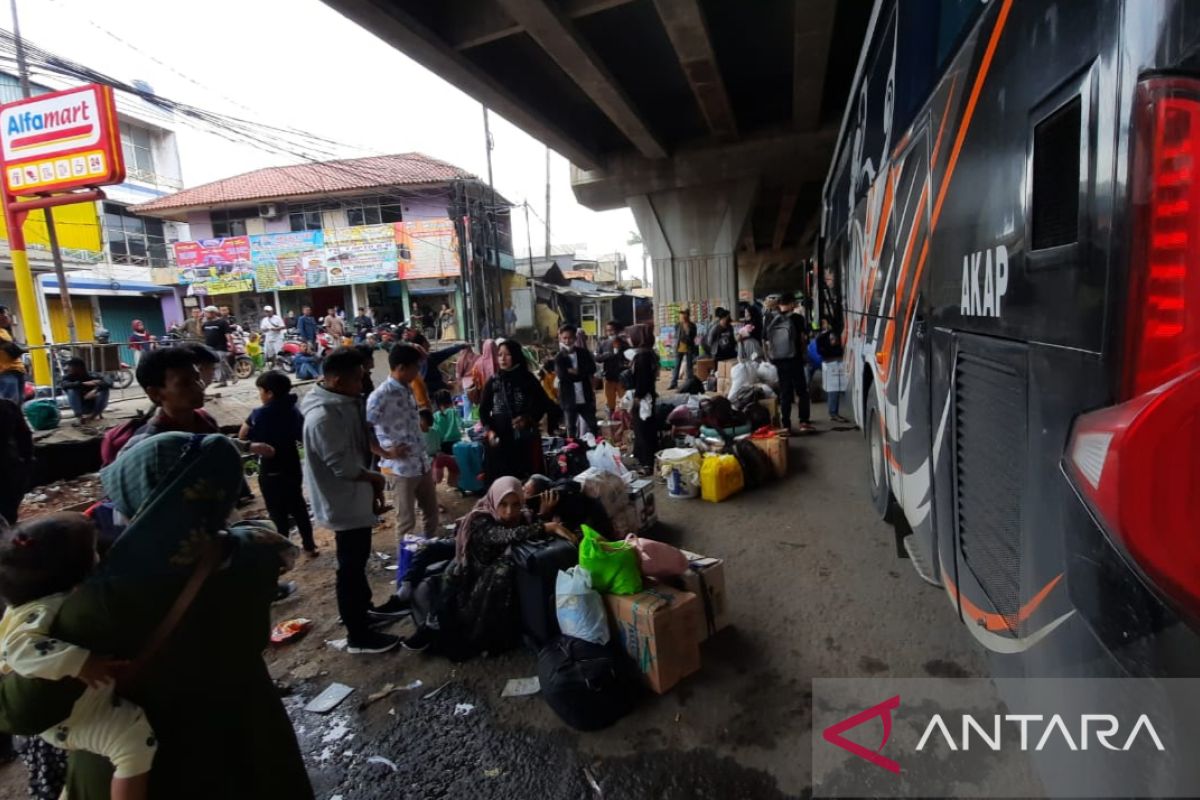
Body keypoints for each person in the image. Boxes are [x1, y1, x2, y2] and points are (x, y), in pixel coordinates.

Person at [0, 433, 314, 799]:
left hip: (161, 769)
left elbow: (21, 712)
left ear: (151, 500)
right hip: (255, 741)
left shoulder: (100, 601)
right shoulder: (253, 550)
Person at [0, 513, 157, 800]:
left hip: (62, 713)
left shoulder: (35, 595)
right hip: (73, 718)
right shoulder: (42, 610)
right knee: (133, 740)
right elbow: (19, 650)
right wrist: (81, 662)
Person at [400, 477, 577, 654]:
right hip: (467, 577)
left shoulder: (522, 517)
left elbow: (523, 533)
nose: (509, 511)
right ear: (494, 499)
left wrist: (542, 516)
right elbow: (502, 535)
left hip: (487, 583)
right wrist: (547, 527)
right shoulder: (479, 519)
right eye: (503, 504)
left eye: (516, 504)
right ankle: (419, 605)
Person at [301, 348, 399, 654]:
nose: (364, 382)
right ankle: (358, 634)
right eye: (359, 378)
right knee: (350, 566)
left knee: (358, 561)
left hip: (357, 496)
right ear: (337, 380)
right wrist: (376, 479)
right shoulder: (323, 417)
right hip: (342, 501)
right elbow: (342, 468)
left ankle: (364, 611)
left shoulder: (345, 402)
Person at [365, 345, 438, 570]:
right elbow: (363, 430)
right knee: (406, 521)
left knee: (431, 514)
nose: (418, 371)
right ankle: (407, 569)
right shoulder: (380, 396)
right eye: (416, 367)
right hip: (400, 469)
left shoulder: (408, 388)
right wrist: (385, 452)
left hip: (421, 462)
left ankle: (430, 556)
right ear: (400, 368)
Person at [240, 371, 317, 556]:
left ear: (269, 393)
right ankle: (309, 546)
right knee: (298, 505)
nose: (260, 395)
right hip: (291, 464)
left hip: (270, 467)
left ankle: (283, 552)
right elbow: (303, 436)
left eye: (260, 391)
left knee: (277, 511)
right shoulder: (293, 410)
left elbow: (243, 435)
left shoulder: (259, 413)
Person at [480, 339, 554, 482]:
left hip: (524, 438)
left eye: (507, 355)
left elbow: (544, 403)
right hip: (500, 440)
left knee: (525, 478)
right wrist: (489, 430)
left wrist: (528, 418)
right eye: (500, 355)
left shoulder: (527, 379)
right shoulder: (494, 381)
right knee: (502, 479)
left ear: (516, 356)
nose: (502, 358)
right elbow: (483, 411)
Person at [765, 293, 814, 433]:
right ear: (791, 304)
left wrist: (771, 357)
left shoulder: (770, 318)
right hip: (795, 359)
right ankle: (804, 422)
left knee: (785, 393)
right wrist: (804, 355)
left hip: (779, 361)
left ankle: (786, 425)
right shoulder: (797, 318)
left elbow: (765, 340)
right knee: (801, 391)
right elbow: (803, 339)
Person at [524, 474, 614, 540]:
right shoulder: (529, 512)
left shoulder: (570, 506)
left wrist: (544, 517)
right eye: (523, 488)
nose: (523, 494)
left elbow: (571, 541)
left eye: (527, 492)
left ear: (545, 496)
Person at [554, 324, 598, 438]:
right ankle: (572, 451)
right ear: (560, 338)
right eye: (565, 338)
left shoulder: (583, 353)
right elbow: (562, 375)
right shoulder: (559, 357)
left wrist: (575, 371)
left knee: (593, 425)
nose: (568, 341)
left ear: (575, 338)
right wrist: (580, 373)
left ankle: (594, 447)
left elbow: (592, 368)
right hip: (568, 396)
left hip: (585, 394)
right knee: (571, 428)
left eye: (570, 337)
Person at [628, 324, 660, 473]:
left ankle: (646, 464)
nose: (629, 339)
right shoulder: (648, 353)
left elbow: (643, 380)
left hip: (643, 399)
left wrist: (637, 397)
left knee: (643, 430)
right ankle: (647, 460)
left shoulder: (642, 357)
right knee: (647, 429)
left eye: (631, 336)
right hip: (649, 397)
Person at [0, 398, 32, 525]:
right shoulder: (8, 406)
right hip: (9, 468)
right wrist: (28, 461)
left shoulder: (8, 406)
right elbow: (25, 438)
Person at [60, 357, 112, 425]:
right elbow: (64, 385)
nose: (67, 368)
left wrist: (95, 390)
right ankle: (79, 417)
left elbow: (109, 382)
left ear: (78, 367)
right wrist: (83, 384)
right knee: (72, 390)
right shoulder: (68, 377)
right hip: (81, 406)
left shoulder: (92, 375)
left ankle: (94, 415)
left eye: (70, 366)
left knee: (104, 390)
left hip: (95, 405)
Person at [816, 318, 849, 423]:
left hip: (830, 362)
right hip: (833, 363)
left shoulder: (821, 336)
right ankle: (833, 413)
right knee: (834, 389)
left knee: (834, 389)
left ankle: (833, 412)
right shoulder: (828, 335)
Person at [595, 321, 630, 418]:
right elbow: (597, 358)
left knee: (625, 402)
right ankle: (612, 420)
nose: (610, 333)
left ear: (617, 331)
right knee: (610, 403)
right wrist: (609, 355)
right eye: (608, 330)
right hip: (608, 377)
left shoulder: (624, 344)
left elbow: (629, 358)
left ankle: (626, 422)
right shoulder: (603, 344)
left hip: (622, 378)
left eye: (612, 330)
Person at [421, 408, 459, 492]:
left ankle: (450, 482)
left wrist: (438, 454)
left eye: (422, 419)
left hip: (434, 457)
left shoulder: (434, 432)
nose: (419, 422)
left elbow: (438, 447)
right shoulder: (417, 435)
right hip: (423, 459)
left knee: (450, 461)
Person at [200, 305, 234, 386]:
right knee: (221, 363)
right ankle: (230, 377)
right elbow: (200, 334)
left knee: (220, 363)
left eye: (206, 312)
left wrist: (231, 344)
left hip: (220, 346)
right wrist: (199, 321)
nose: (205, 314)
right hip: (209, 347)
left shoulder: (222, 322)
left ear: (213, 313)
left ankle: (226, 379)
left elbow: (228, 334)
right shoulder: (206, 323)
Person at [0, 306, 26, 406]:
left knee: (18, 402)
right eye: (5, 314)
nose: (7, 317)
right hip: (5, 372)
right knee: (9, 403)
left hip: (17, 370)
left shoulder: (4, 331)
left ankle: (16, 421)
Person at [668, 308, 698, 390]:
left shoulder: (692, 326)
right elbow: (676, 336)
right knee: (677, 366)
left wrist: (687, 329)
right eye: (681, 315)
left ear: (687, 316)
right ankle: (673, 383)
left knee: (689, 366)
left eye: (684, 315)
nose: (682, 317)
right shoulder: (678, 325)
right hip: (679, 347)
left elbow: (693, 337)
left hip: (689, 347)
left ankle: (690, 383)